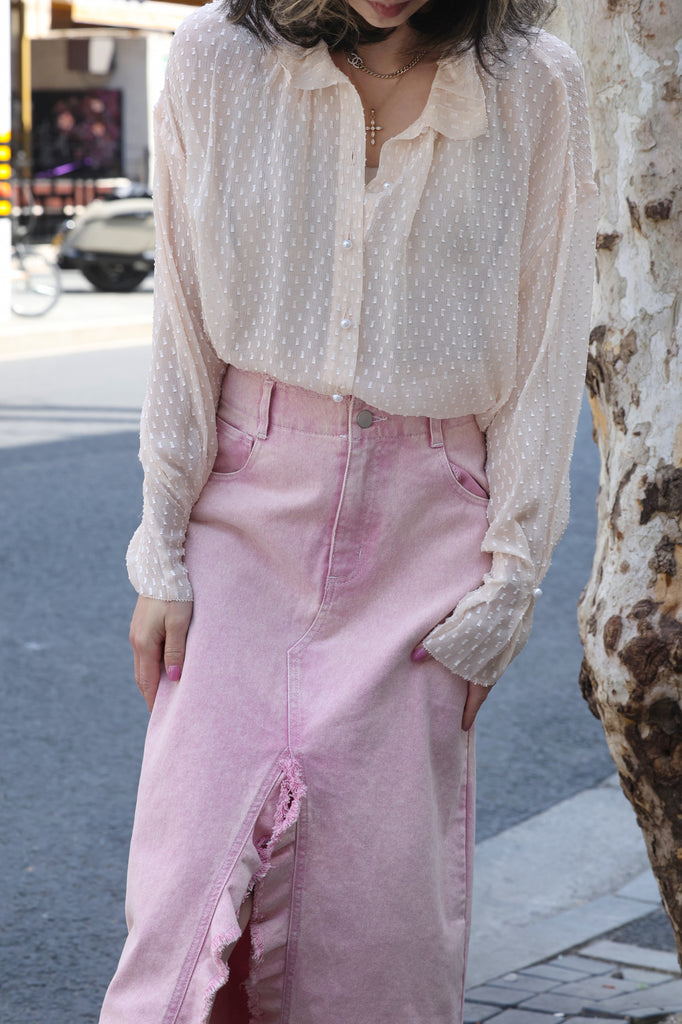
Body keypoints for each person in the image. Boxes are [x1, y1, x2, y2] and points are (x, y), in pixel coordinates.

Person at [99, 0, 597, 1021]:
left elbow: (550, 346)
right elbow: (182, 321)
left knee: (377, 935)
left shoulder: (537, 85)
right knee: (181, 912)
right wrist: (164, 546)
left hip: (429, 526)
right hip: (243, 504)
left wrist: (510, 578)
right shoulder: (210, 62)